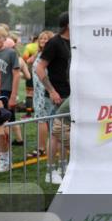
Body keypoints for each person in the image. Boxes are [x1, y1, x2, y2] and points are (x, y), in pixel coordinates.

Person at [36, 14, 70, 183]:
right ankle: (50, 171)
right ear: (68, 24)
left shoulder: (75, 43)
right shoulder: (54, 42)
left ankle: (63, 167)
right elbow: (39, 68)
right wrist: (51, 91)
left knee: (65, 132)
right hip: (57, 96)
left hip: (70, 95)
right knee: (56, 134)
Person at [0, 25, 20, 172]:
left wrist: (13, 95)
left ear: (5, 38)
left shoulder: (11, 53)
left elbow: (16, 75)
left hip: (6, 93)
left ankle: (5, 158)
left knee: (4, 127)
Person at [30, 30, 54, 162]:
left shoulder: (50, 55)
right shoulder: (40, 53)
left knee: (42, 119)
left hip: (44, 91)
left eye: (46, 39)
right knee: (43, 119)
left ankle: (41, 148)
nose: (43, 41)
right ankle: (46, 146)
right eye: (41, 38)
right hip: (38, 91)